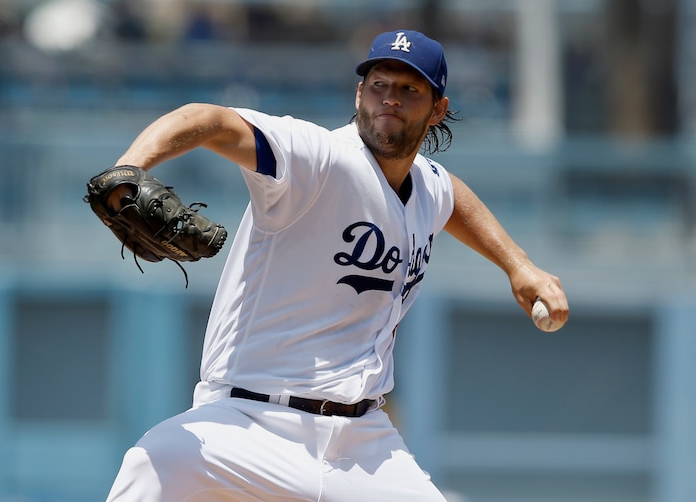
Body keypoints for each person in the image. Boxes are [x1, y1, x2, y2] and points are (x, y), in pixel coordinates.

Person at [105, 29, 569, 501]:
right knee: (153, 461)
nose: (389, 99)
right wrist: (127, 169)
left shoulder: (428, 185)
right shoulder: (318, 158)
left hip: (362, 445)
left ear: (437, 110)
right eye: (379, 84)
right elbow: (207, 119)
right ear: (359, 93)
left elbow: (452, 196)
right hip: (249, 424)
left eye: (409, 90)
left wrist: (518, 265)